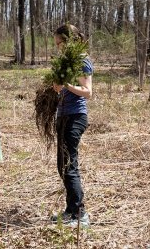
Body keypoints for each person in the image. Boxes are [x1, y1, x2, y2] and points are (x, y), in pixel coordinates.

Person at [51, 24, 92, 228]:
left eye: (60, 43)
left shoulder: (81, 60)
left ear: (69, 41)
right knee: (62, 165)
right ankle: (70, 210)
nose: (58, 47)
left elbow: (87, 91)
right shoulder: (65, 62)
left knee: (69, 165)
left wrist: (66, 85)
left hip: (76, 116)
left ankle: (80, 213)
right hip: (64, 115)